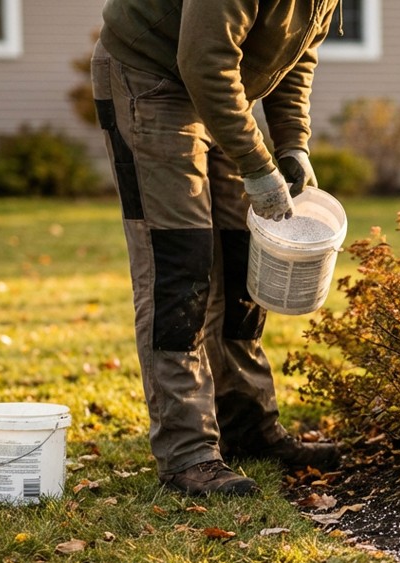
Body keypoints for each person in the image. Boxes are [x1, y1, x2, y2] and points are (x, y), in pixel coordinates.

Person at [91, 0, 343, 496]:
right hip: (153, 81)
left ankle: (246, 425)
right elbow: (203, 58)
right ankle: (188, 454)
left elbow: (296, 53)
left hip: (223, 91)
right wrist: (255, 164)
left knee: (238, 257)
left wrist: (293, 144)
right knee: (180, 264)